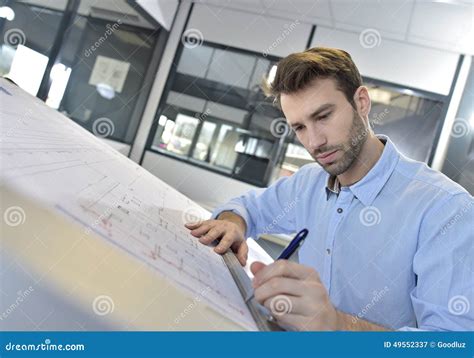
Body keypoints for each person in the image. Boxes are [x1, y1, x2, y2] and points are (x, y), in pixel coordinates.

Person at [185, 47, 473, 331]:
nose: (314, 142)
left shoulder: (446, 209)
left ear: (361, 102)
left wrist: (337, 325)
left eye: (323, 116)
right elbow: (247, 207)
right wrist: (233, 223)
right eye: (299, 127)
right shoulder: (308, 181)